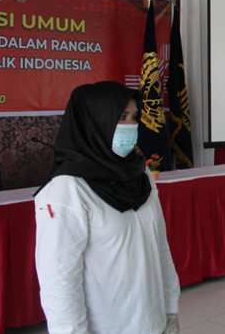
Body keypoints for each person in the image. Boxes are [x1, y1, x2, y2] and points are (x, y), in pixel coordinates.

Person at [34, 81, 180, 334]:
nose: (130, 126)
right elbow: (60, 280)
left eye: (134, 117)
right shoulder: (67, 190)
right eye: (120, 117)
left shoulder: (140, 175)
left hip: (151, 321)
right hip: (107, 326)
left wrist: (170, 309)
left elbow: (160, 246)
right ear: (94, 121)